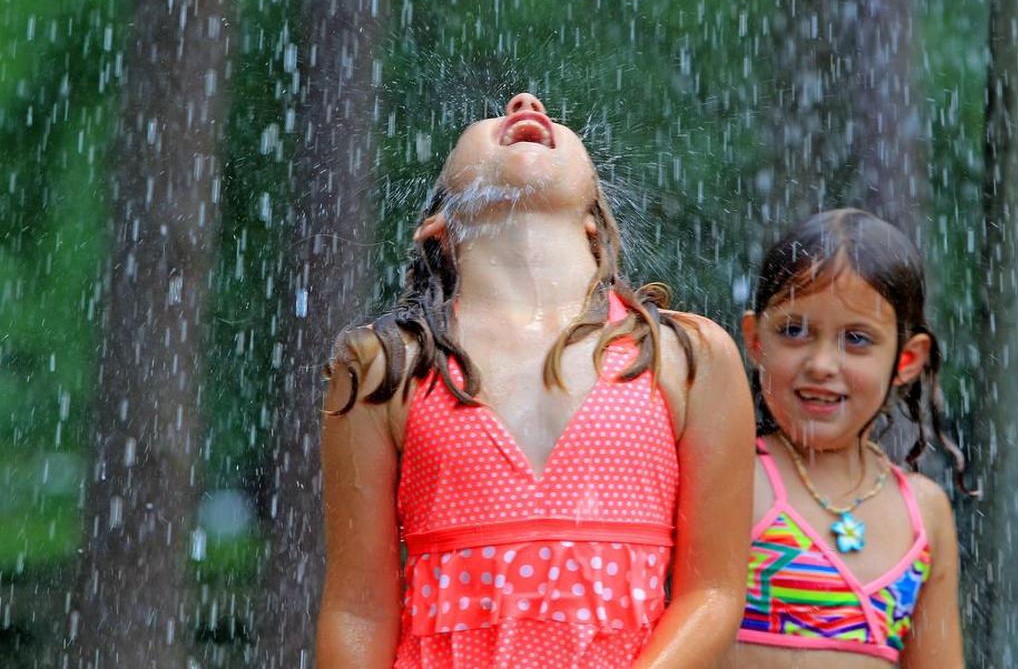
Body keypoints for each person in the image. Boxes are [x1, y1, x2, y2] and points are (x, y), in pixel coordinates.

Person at [315, 92, 754, 668]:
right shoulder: (385, 366)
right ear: (438, 227)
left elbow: (714, 593)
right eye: (495, 115)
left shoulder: (685, 355)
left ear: (595, 222)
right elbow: (358, 610)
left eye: (552, 116)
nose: (527, 102)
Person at [724, 209, 969, 669]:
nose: (821, 364)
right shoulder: (733, 477)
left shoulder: (925, 512)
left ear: (907, 359)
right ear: (755, 341)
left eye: (856, 339)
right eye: (793, 330)